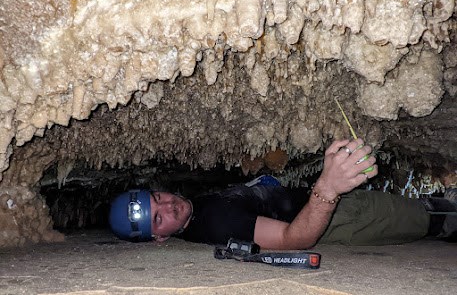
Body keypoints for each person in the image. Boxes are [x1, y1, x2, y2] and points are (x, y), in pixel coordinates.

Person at [109, 138, 457, 248]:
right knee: (425, 217)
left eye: (159, 198)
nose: (168, 205)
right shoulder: (216, 223)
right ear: (159, 238)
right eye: (159, 218)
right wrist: (327, 189)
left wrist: (261, 186)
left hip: (328, 206)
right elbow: (295, 238)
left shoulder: (198, 209)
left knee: (420, 210)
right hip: (336, 217)